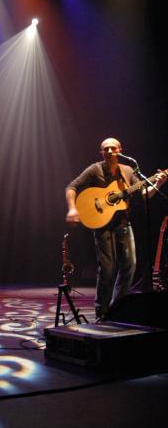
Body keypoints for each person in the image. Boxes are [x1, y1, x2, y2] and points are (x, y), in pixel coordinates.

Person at [66, 137, 167, 321]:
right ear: (101, 152)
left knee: (130, 265)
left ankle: (116, 309)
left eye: (113, 148)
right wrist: (72, 208)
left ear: (120, 150)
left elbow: (144, 193)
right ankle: (102, 311)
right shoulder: (95, 169)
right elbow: (72, 187)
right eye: (106, 149)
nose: (110, 151)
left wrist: (158, 183)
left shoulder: (128, 170)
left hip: (123, 223)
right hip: (102, 225)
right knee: (107, 269)